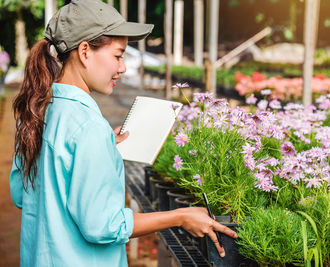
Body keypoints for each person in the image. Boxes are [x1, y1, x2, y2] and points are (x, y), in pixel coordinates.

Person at [9, 0, 237, 266]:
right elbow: (103, 226)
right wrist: (180, 217)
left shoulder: (36, 112)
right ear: (84, 51)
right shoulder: (88, 128)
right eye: (118, 55)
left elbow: (21, 193)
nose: (123, 67)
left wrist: (101, 150)